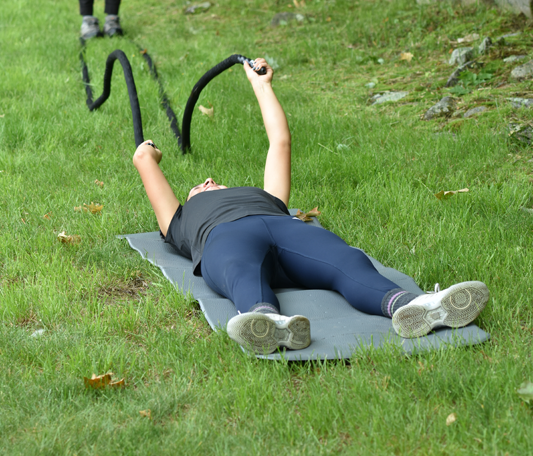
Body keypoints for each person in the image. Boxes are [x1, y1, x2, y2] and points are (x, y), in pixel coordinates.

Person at [133, 58, 489, 355]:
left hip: (284, 228)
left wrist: (261, 86)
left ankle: (412, 306)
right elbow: (142, 160)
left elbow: (280, 142)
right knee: (240, 270)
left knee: (346, 260)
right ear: (189, 201)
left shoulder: (270, 198)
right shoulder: (180, 222)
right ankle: (267, 322)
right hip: (224, 238)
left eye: (212, 182)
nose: (208, 181)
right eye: (199, 187)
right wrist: (149, 153)